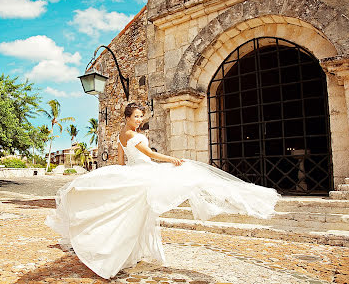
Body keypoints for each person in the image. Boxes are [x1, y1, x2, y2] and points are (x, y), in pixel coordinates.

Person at [45, 102, 280, 279]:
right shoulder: (129, 134)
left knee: (150, 205)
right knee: (188, 173)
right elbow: (149, 156)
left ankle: (235, 197)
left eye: (140, 117)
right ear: (127, 117)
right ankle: (237, 198)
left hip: (141, 172)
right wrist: (170, 159)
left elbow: (121, 162)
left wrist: (125, 176)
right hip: (145, 172)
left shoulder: (123, 136)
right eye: (136, 116)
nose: (139, 120)